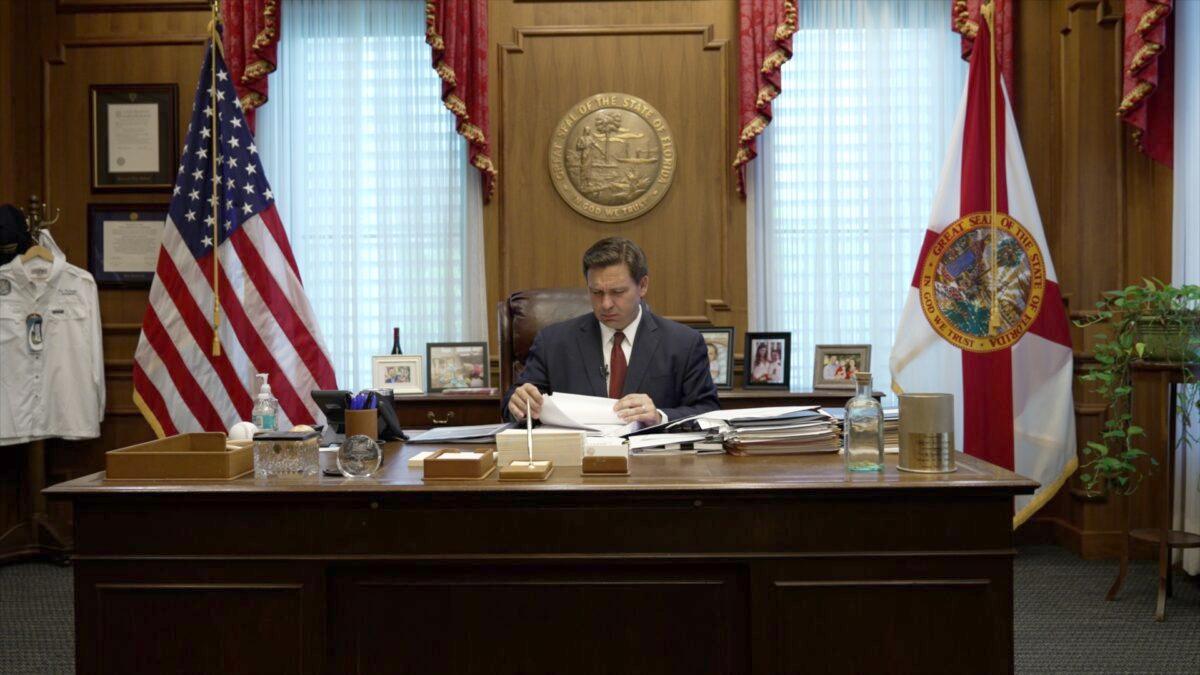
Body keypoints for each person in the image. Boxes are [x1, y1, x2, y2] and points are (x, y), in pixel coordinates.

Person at [504, 237, 719, 424]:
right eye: (596, 292)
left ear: (642, 286)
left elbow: (708, 412)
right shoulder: (553, 342)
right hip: (576, 463)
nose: (605, 304)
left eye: (617, 292)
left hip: (653, 464)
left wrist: (660, 416)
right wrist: (520, 404)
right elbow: (511, 406)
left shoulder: (683, 343)